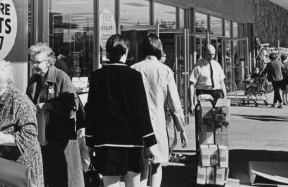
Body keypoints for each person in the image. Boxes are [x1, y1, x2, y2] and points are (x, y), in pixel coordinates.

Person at [85, 34, 157, 187]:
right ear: (125, 52)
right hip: (132, 141)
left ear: (108, 53)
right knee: (133, 183)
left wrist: (89, 141)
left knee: (110, 183)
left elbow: (91, 111)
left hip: (106, 141)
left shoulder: (97, 77)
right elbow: (141, 111)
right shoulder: (134, 76)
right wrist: (149, 141)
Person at [131, 33, 187, 187]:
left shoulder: (134, 69)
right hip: (158, 124)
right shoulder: (165, 71)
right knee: (156, 165)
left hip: (136, 126)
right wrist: (181, 129)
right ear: (159, 49)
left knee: (140, 166)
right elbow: (174, 105)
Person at [26, 43, 84, 187]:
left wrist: (48, 106)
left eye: (38, 62)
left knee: (62, 178)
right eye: (32, 62)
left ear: (49, 61)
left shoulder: (61, 77)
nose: (34, 65)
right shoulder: (34, 79)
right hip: (42, 136)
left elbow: (72, 105)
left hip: (60, 138)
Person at [0, 60, 44, 187]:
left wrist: (4, 138)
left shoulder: (19, 101)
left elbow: (30, 137)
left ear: (3, 82)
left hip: (19, 173)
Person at [189, 44, 227, 113]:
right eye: (209, 54)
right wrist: (191, 103)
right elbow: (192, 85)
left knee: (221, 118)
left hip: (216, 93)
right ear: (204, 53)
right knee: (206, 118)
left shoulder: (217, 65)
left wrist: (225, 96)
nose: (211, 57)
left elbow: (221, 82)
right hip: (203, 93)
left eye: (213, 54)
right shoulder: (198, 66)